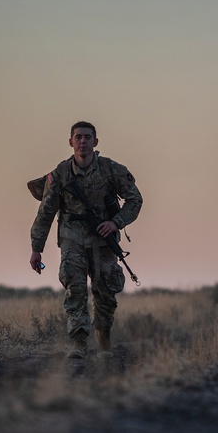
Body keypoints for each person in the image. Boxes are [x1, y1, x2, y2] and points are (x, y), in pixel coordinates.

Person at [29, 121, 143, 359]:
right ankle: (80, 342)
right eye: (78, 137)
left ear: (96, 142)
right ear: (70, 142)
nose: (83, 141)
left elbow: (135, 200)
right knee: (75, 288)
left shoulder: (111, 170)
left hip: (104, 241)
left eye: (87, 137)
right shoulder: (60, 174)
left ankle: (103, 338)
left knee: (105, 292)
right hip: (72, 239)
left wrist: (116, 222)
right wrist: (36, 248)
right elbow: (45, 213)